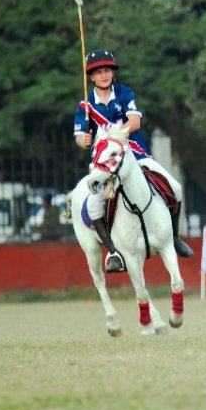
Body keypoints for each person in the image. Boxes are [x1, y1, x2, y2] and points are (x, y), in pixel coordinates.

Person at [73, 49, 194, 272]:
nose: (104, 75)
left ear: (113, 73)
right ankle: (113, 251)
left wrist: (111, 136)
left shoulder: (125, 93)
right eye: (99, 72)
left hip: (136, 156)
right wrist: (85, 139)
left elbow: (135, 123)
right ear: (91, 76)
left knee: (175, 189)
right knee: (92, 205)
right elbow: (80, 137)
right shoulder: (85, 107)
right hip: (105, 165)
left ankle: (174, 238)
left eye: (107, 70)